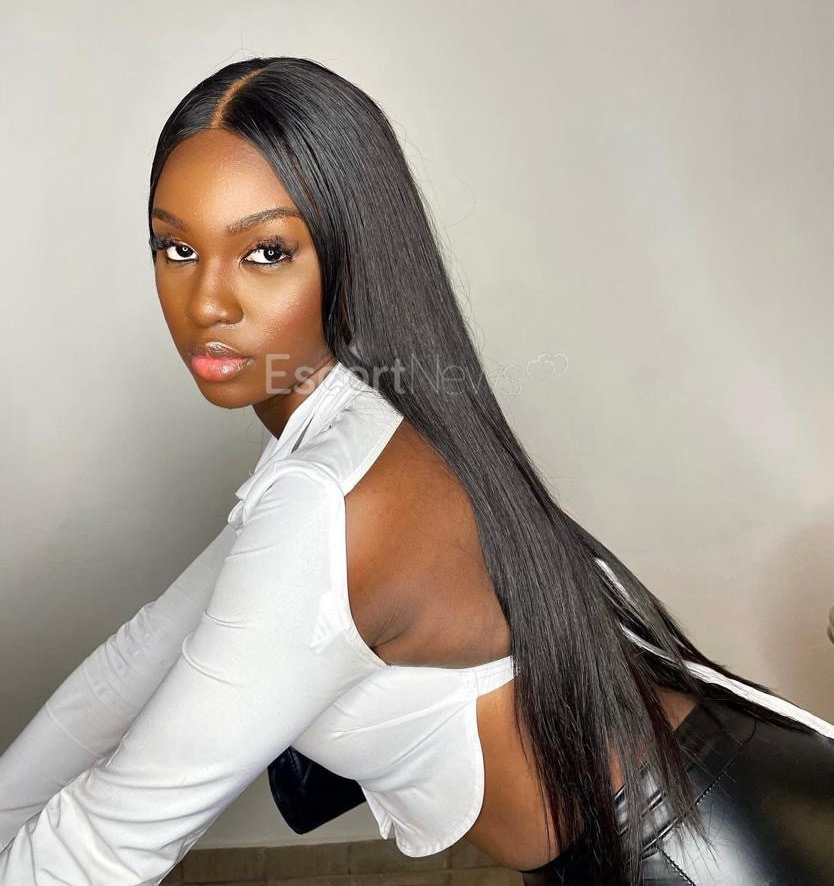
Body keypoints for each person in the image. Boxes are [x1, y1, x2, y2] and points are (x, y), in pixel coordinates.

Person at [1, 57, 832, 886]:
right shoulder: (354, 434)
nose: (207, 302)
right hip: (706, 804)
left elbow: (109, 844)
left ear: (349, 251)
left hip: (704, 854)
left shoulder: (329, 499)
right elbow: (133, 666)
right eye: (177, 247)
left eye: (266, 252)